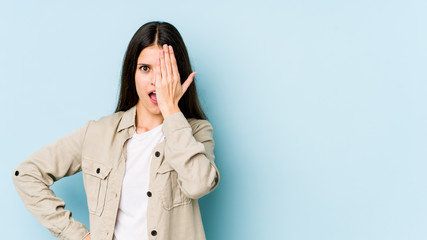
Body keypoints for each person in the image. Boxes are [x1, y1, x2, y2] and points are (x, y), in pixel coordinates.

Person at [12, 21, 220, 240]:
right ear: (132, 73)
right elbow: (25, 174)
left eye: (165, 70)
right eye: (145, 68)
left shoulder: (196, 132)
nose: (156, 81)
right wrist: (78, 236)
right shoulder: (99, 133)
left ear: (178, 75)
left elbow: (198, 185)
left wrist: (171, 110)